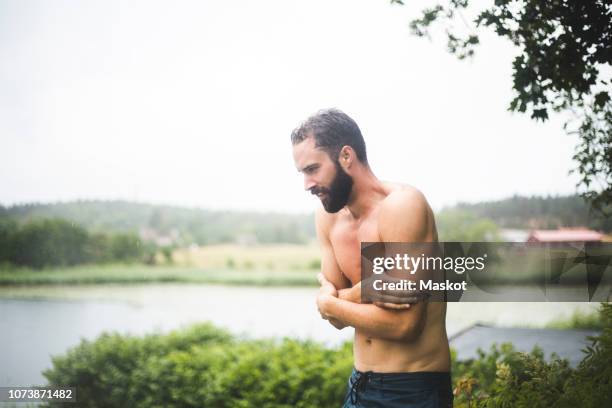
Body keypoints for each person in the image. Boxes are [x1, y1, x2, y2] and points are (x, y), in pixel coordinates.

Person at [291, 108, 453, 408]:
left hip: (413, 389)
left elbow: (404, 326)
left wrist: (331, 301)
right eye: (302, 173)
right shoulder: (329, 219)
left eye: (312, 169)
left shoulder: (402, 207)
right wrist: (364, 291)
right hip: (359, 386)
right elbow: (337, 322)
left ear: (346, 156)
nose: (307, 184)